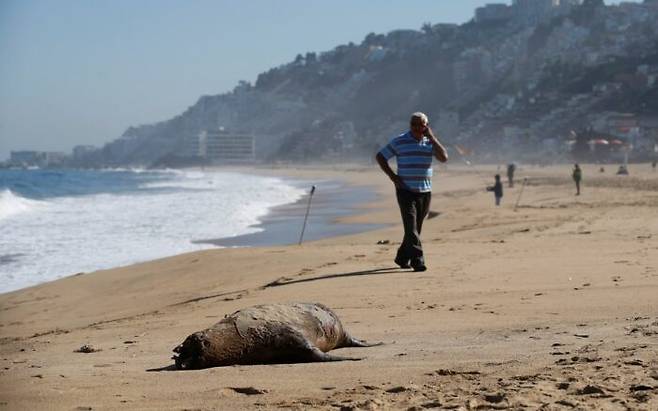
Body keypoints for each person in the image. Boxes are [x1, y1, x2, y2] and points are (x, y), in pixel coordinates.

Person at [375, 112, 448, 272]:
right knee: (410, 226)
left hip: (424, 191)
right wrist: (392, 176)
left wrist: (433, 138)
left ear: (426, 126)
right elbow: (380, 156)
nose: (416, 127)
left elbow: (444, 158)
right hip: (405, 190)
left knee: (416, 227)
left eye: (420, 125)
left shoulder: (430, 143)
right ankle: (417, 260)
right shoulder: (400, 141)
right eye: (413, 124)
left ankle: (402, 257)